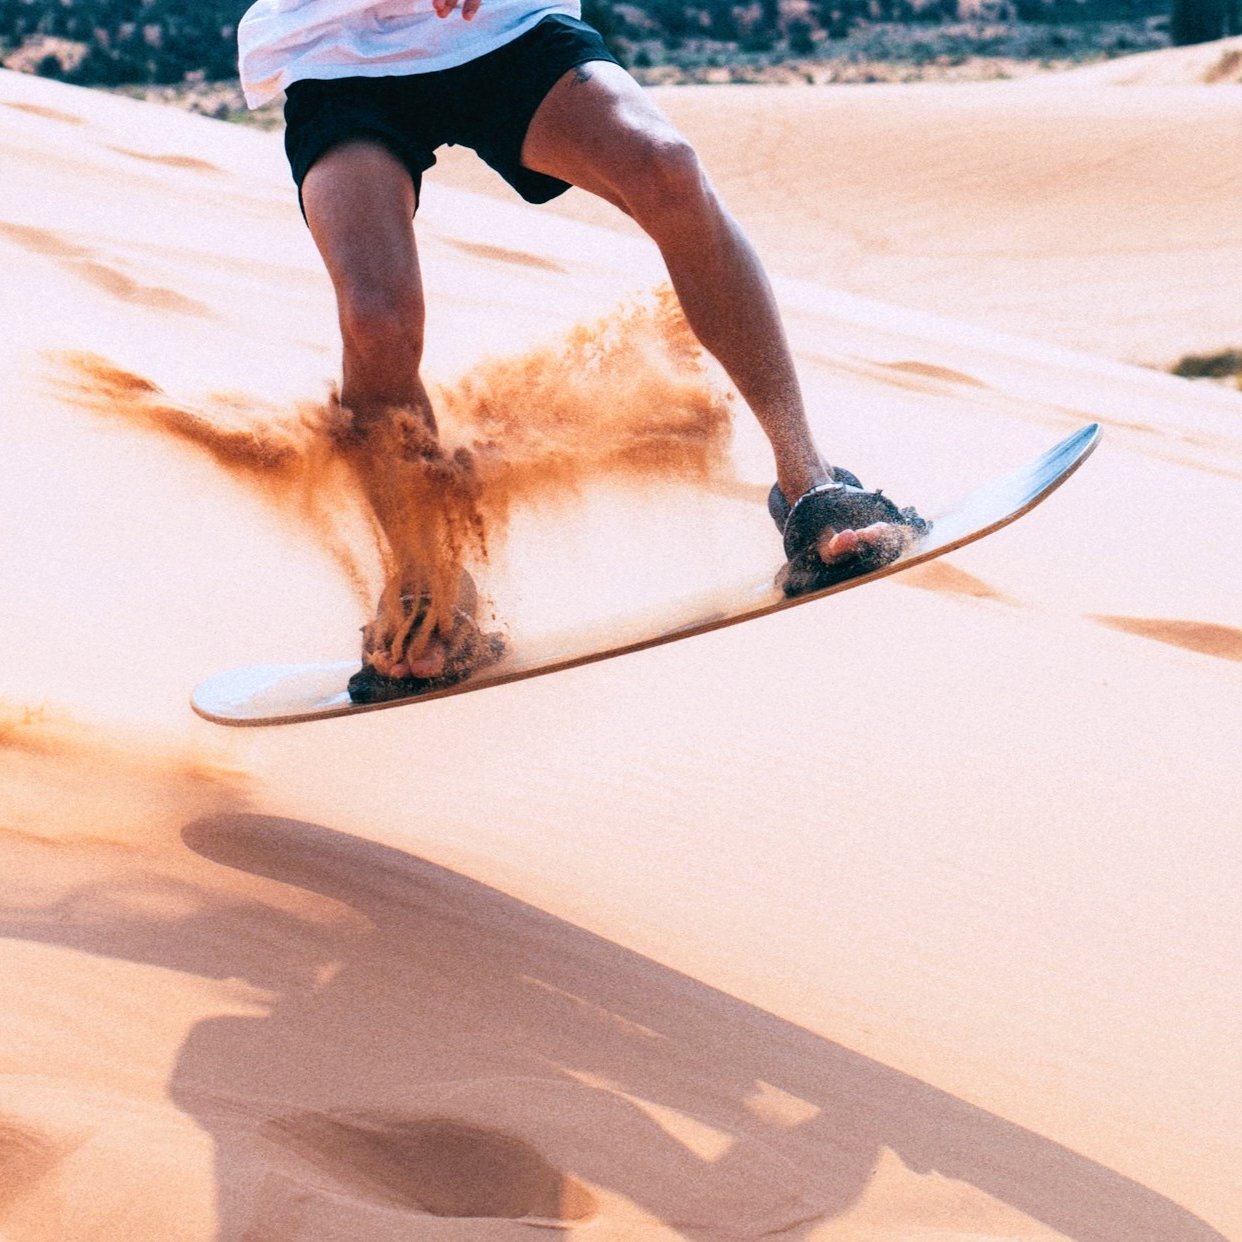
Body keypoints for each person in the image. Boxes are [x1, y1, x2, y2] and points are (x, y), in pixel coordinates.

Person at [237, 0, 925, 700]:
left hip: (503, 27)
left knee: (668, 168)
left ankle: (810, 484)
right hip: (339, 51)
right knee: (377, 320)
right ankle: (427, 585)